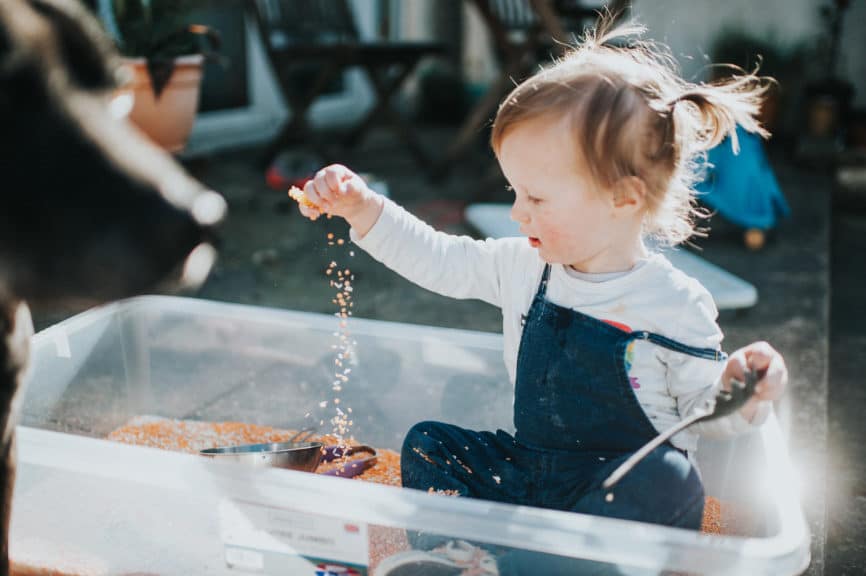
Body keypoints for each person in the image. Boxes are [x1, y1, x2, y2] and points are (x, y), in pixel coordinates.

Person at [294, 19, 788, 576]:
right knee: (430, 443)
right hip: (531, 479)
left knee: (671, 481)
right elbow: (440, 259)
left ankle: (529, 566)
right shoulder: (524, 265)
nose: (516, 212)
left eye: (536, 196)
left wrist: (739, 391)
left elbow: (705, 416)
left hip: (615, 500)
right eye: (514, 191)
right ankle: (459, 558)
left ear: (623, 199)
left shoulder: (675, 304)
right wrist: (363, 208)